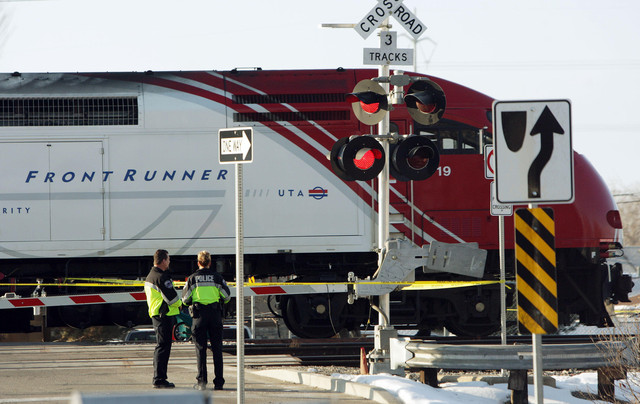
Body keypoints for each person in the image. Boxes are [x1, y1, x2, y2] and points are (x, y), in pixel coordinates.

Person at [182, 250, 231, 391]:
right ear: (210, 263)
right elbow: (227, 296)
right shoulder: (217, 278)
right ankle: (219, 382)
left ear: (198, 263)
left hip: (199, 316)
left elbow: (185, 300)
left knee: (200, 349)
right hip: (215, 315)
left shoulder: (192, 278)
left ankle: (202, 382)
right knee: (217, 349)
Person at [144, 249, 182, 388]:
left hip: (157, 314)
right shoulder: (161, 277)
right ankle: (159, 379)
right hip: (164, 315)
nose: (170, 261)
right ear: (163, 260)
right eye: (169, 259)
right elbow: (172, 299)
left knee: (161, 346)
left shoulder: (151, 275)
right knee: (163, 347)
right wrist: (181, 304)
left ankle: (159, 377)